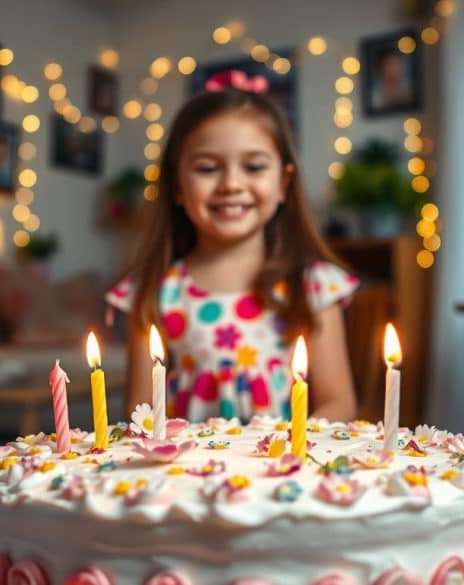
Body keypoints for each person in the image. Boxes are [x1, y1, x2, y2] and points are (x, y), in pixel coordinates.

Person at [107, 83, 359, 424]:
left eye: (253, 167)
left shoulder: (312, 285)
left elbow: (339, 403)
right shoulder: (154, 289)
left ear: (283, 183)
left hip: (284, 458)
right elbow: (141, 410)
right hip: (186, 460)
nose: (231, 184)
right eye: (208, 168)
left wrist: (297, 441)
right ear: (177, 185)